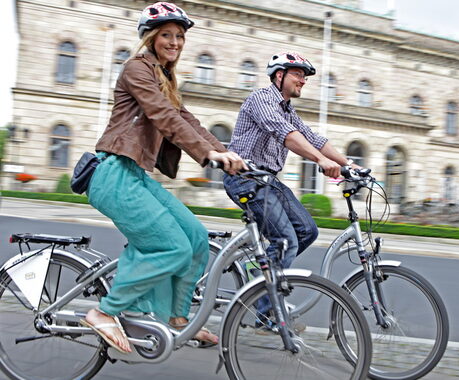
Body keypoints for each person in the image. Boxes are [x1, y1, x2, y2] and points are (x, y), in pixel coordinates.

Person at [81, 2, 246, 353]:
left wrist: (226, 152)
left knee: (197, 238)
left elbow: (188, 121)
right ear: (152, 38)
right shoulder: (136, 70)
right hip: (113, 173)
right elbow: (163, 117)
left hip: (135, 175)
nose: (174, 42)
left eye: (180, 37)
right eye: (167, 35)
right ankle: (103, 312)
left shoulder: (166, 78)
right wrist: (208, 155)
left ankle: (176, 320)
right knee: (171, 247)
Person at [223, 52, 359, 332]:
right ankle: (266, 312)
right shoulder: (262, 98)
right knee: (286, 240)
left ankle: (260, 271)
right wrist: (320, 161)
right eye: (298, 74)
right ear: (279, 75)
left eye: (305, 77)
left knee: (307, 231)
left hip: (268, 180)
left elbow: (312, 138)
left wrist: (349, 164)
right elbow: (285, 133)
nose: (303, 81)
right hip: (246, 178)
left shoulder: (288, 110)